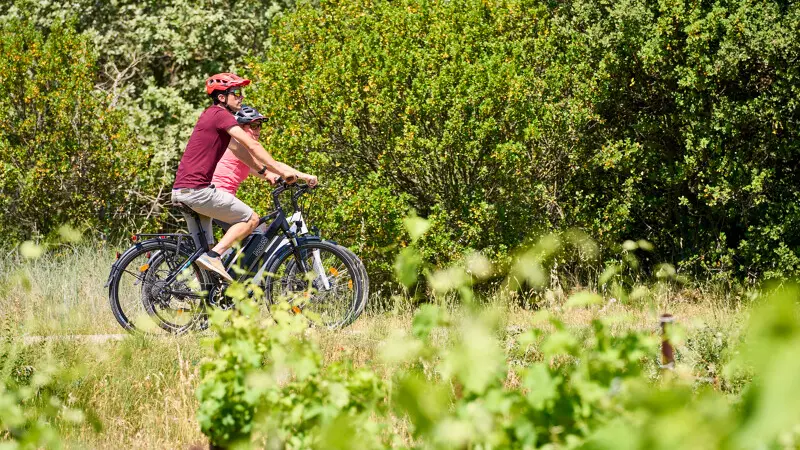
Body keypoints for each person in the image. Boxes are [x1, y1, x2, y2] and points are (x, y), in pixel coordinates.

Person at [171, 72, 317, 281]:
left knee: (206, 256)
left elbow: (242, 152)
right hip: (200, 193)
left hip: (183, 191)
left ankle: (197, 297)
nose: (241, 97)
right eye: (236, 93)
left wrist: (267, 173)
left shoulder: (212, 117)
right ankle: (215, 257)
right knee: (252, 220)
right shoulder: (221, 116)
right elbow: (252, 146)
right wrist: (282, 170)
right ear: (222, 97)